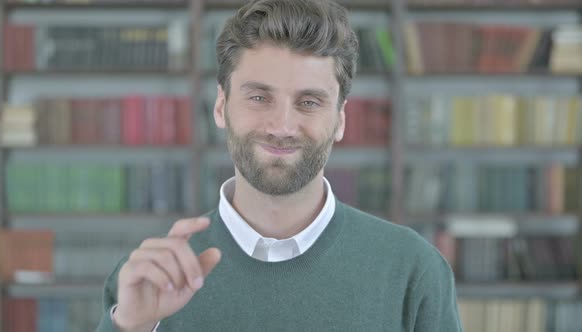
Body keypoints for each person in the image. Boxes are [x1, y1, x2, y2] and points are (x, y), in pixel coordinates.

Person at [96, 0, 463, 330]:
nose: (282, 127)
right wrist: (132, 328)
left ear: (340, 120)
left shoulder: (413, 269)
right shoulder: (149, 277)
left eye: (309, 102)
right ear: (221, 106)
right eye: (259, 97)